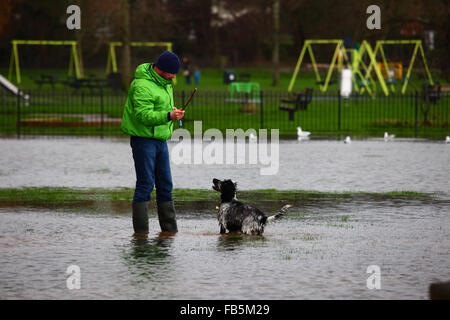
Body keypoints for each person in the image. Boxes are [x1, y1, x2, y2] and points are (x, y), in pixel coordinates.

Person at [121, 50, 185, 235]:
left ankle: (170, 232)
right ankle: (141, 235)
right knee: (146, 184)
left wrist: (172, 111)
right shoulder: (141, 85)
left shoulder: (165, 83)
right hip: (143, 140)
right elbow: (143, 115)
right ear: (161, 69)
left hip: (160, 140)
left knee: (165, 185)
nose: (173, 77)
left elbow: (159, 106)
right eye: (171, 73)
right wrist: (168, 115)